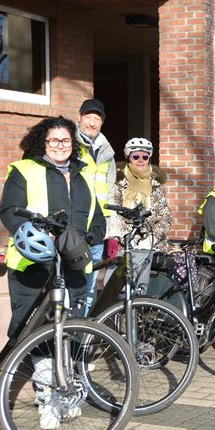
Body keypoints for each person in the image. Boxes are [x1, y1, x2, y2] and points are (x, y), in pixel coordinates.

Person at [0, 117, 104, 428]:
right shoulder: (24, 171)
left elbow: (95, 215)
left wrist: (90, 239)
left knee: (67, 330)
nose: (61, 146)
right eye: (54, 141)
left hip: (73, 264)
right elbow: (9, 212)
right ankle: (46, 398)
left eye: (66, 141)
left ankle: (64, 393)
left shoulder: (83, 175)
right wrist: (37, 237)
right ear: (42, 143)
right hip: (35, 264)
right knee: (39, 333)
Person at [76, 99, 116, 310]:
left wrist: (111, 230)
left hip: (97, 229)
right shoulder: (70, 145)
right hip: (75, 227)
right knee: (71, 287)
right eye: (88, 117)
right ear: (80, 118)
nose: (92, 123)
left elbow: (109, 191)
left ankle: (80, 338)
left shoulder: (107, 152)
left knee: (90, 288)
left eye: (97, 119)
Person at [108, 138, 172, 251]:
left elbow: (165, 216)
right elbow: (114, 216)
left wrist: (152, 238)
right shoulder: (117, 184)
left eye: (145, 157)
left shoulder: (156, 185)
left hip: (153, 246)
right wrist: (129, 239)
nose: (141, 160)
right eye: (136, 156)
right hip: (126, 246)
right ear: (128, 158)